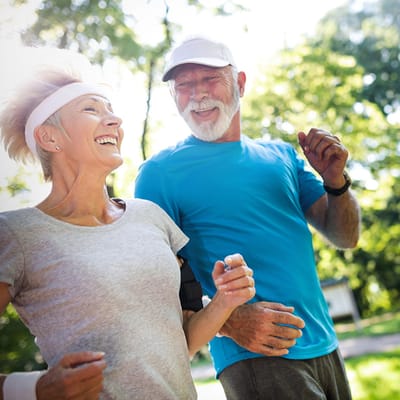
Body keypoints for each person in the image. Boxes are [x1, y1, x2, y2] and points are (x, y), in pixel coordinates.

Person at [0, 53, 256, 400]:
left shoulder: (149, 216)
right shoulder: (17, 234)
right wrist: (35, 389)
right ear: (49, 137)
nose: (115, 120)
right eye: (92, 109)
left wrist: (225, 300)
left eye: (111, 110)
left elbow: (182, 342)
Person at [134, 35, 361, 399]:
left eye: (209, 79)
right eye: (184, 85)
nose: (197, 94)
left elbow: (345, 236)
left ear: (240, 83)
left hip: (325, 344)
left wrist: (335, 182)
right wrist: (229, 320)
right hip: (256, 354)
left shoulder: (281, 156)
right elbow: (152, 279)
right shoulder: (159, 173)